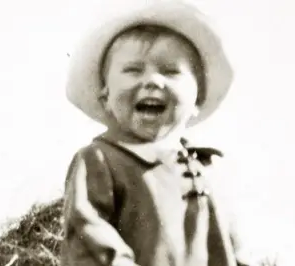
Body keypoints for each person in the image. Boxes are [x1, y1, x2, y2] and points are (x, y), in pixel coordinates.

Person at [60, 1, 251, 266]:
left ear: (198, 98)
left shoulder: (204, 171)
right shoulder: (100, 160)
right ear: (105, 96)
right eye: (133, 70)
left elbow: (231, 248)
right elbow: (89, 233)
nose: (152, 81)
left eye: (171, 71)